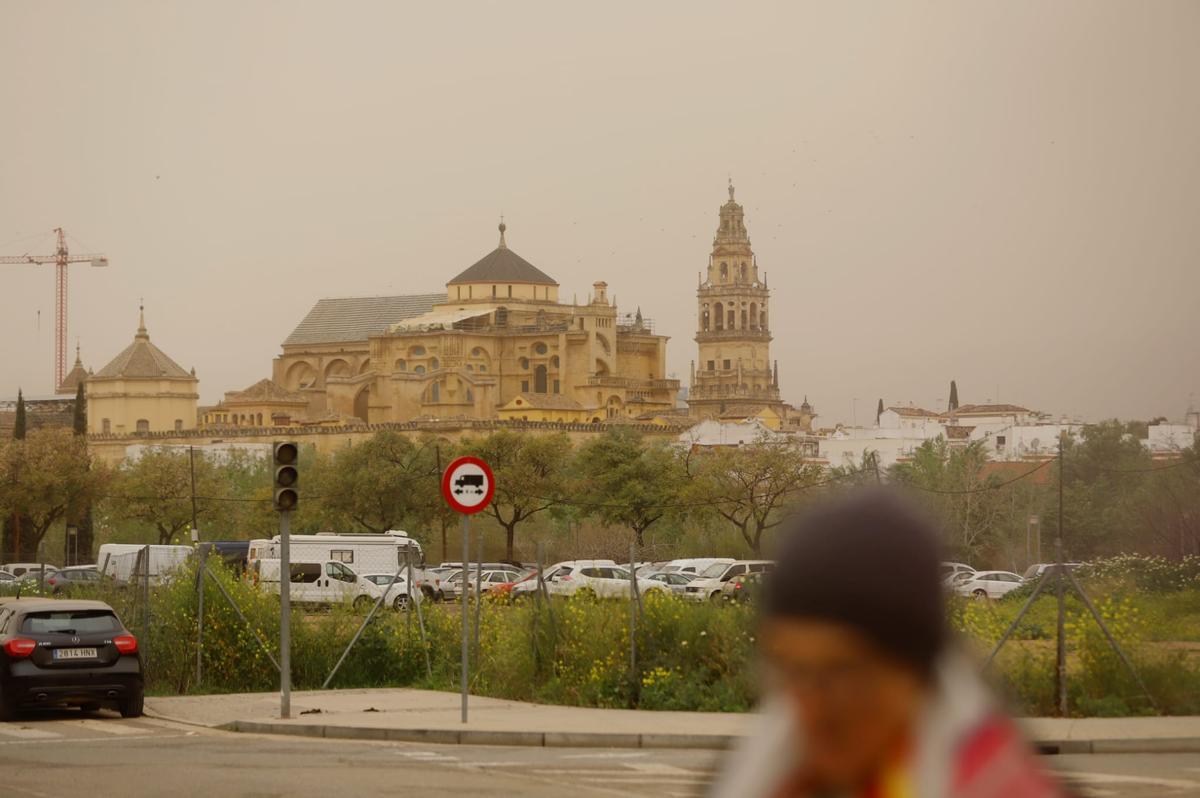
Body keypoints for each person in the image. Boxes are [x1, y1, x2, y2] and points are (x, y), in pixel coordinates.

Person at [711, 489, 1065, 798]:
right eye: (790, 669)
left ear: (916, 669)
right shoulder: (762, 778)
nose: (813, 710)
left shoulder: (994, 785)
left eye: (842, 673)